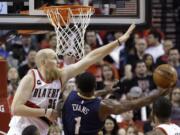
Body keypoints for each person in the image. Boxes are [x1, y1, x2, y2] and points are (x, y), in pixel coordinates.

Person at [7, 24, 136, 135]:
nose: (58, 61)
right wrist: (45, 112)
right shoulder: (31, 78)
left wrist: (118, 41)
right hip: (19, 130)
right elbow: (15, 109)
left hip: (41, 131)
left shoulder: (62, 76)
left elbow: (91, 58)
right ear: (43, 62)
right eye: (54, 58)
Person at [60, 72, 172, 135]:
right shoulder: (103, 106)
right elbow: (134, 104)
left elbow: (84, 95)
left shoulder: (69, 96)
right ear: (95, 86)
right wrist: (158, 93)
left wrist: (104, 91)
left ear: (78, 86)